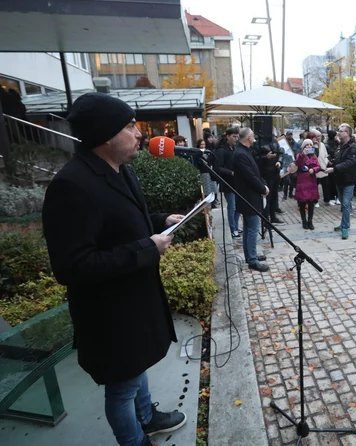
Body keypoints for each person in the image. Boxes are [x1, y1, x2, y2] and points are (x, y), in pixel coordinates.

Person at [41, 92, 186, 446]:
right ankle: (134, 440)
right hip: (109, 314)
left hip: (135, 300)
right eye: (129, 125)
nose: (139, 134)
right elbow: (72, 265)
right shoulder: (71, 186)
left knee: (137, 369)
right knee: (121, 389)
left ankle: (148, 418)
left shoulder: (121, 171)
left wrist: (160, 220)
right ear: (105, 134)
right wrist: (145, 249)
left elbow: (124, 223)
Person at [233, 128, 270, 272]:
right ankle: (252, 260)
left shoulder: (244, 151)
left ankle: (251, 255)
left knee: (249, 228)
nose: (254, 139)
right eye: (253, 136)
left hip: (250, 195)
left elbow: (255, 172)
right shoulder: (240, 154)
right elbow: (250, 176)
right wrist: (263, 188)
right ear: (248, 137)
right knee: (252, 228)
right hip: (248, 196)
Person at [325, 124, 356, 240]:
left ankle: (345, 227)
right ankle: (344, 224)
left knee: (345, 204)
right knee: (342, 203)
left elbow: (350, 163)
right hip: (339, 179)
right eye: (338, 131)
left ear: (347, 133)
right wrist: (332, 161)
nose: (338, 133)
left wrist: (334, 168)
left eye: (341, 131)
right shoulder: (341, 146)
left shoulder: (354, 147)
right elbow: (340, 159)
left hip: (349, 180)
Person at [213, 127, 242, 238]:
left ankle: (235, 225)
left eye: (237, 136)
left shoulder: (233, 148)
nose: (236, 139)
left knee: (238, 206)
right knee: (232, 206)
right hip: (228, 183)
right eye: (234, 136)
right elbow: (217, 168)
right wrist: (231, 173)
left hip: (237, 182)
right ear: (228, 136)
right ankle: (232, 228)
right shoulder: (221, 150)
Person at [294, 139, 321, 230]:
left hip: (311, 181)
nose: (309, 146)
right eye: (307, 145)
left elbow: (318, 166)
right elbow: (297, 163)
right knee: (302, 202)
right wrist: (303, 155)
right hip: (302, 180)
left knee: (311, 202)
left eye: (310, 145)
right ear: (304, 147)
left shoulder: (314, 156)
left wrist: (314, 170)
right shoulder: (300, 155)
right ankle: (304, 221)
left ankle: (310, 221)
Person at [309, 129, 329, 207]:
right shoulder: (311, 146)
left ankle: (327, 199)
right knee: (315, 186)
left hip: (323, 167)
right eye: (317, 136)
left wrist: (326, 162)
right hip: (315, 169)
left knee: (326, 185)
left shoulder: (323, 145)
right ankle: (315, 201)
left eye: (320, 136)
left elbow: (326, 156)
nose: (319, 138)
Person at [325, 130, 340, 205]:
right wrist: (329, 160)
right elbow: (326, 154)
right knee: (330, 182)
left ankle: (338, 197)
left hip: (336, 164)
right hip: (330, 164)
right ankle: (331, 197)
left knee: (337, 181)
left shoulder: (338, 143)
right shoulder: (327, 145)